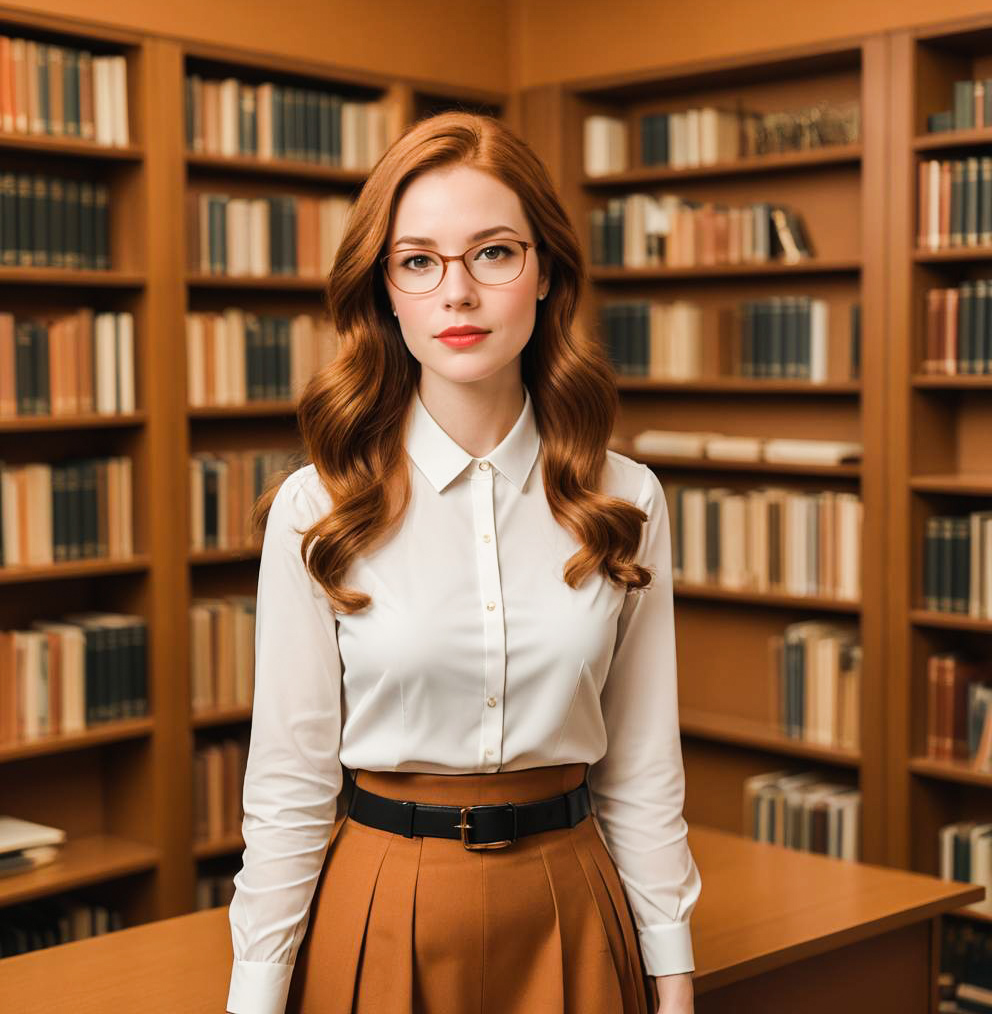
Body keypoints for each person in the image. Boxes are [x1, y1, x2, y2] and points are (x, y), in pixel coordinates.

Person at [225, 110, 701, 1014]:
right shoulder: (315, 508)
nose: (458, 293)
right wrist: (255, 996)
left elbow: (641, 765)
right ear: (386, 292)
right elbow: (288, 784)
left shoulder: (626, 499)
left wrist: (672, 972)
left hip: (571, 905)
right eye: (419, 261)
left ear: (546, 272)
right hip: (380, 906)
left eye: (493, 253)